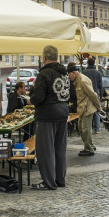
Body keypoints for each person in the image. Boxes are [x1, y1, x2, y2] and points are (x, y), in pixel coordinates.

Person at [30, 45, 71, 190]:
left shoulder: (44, 74)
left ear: (44, 58)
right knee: (60, 148)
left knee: (45, 150)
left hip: (47, 114)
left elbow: (38, 98)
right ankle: (60, 179)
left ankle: (48, 181)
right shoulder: (64, 73)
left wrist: (31, 95)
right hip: (63, 111)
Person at [67, 63, 101, 156]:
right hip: (82, 108)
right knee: (81, 129)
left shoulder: (82, 81)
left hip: (87, 108)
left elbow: (92, 94)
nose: (69, 77)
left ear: (74, 73)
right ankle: (89, 145)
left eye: (69, 75)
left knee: (85, 129)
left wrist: (99, 108)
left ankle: (89, 149)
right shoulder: (78, 80)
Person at [82, 57, 105, 133]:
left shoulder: (84, 72)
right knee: (96, 111)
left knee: (87, 111)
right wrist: (101, 96)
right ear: (94, 63)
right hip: (95, 94)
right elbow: (100, 86)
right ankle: (97, 129)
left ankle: (88, 128)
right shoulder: (97, 73)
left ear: (88, 63)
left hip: (86, 95)